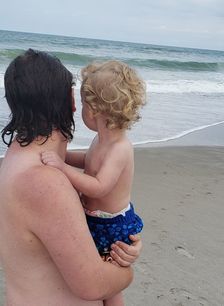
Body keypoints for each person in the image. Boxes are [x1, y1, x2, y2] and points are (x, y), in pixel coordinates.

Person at [0, 49, 142, 306]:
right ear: (71, 100)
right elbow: (93, 284)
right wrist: (125, 271)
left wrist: (120, 247)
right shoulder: (44, 182)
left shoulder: (14, 161)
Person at [41, 60, 146, 306]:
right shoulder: (102, 140)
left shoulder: (120, 148)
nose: (79, 110)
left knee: (109, 283)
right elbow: (87, 161)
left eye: (83, 104)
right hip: (96, 218)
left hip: (111, 224)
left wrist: (61, 167)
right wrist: (62, 155)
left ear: (95, 109)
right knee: (94, 272)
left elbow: (99, 185)